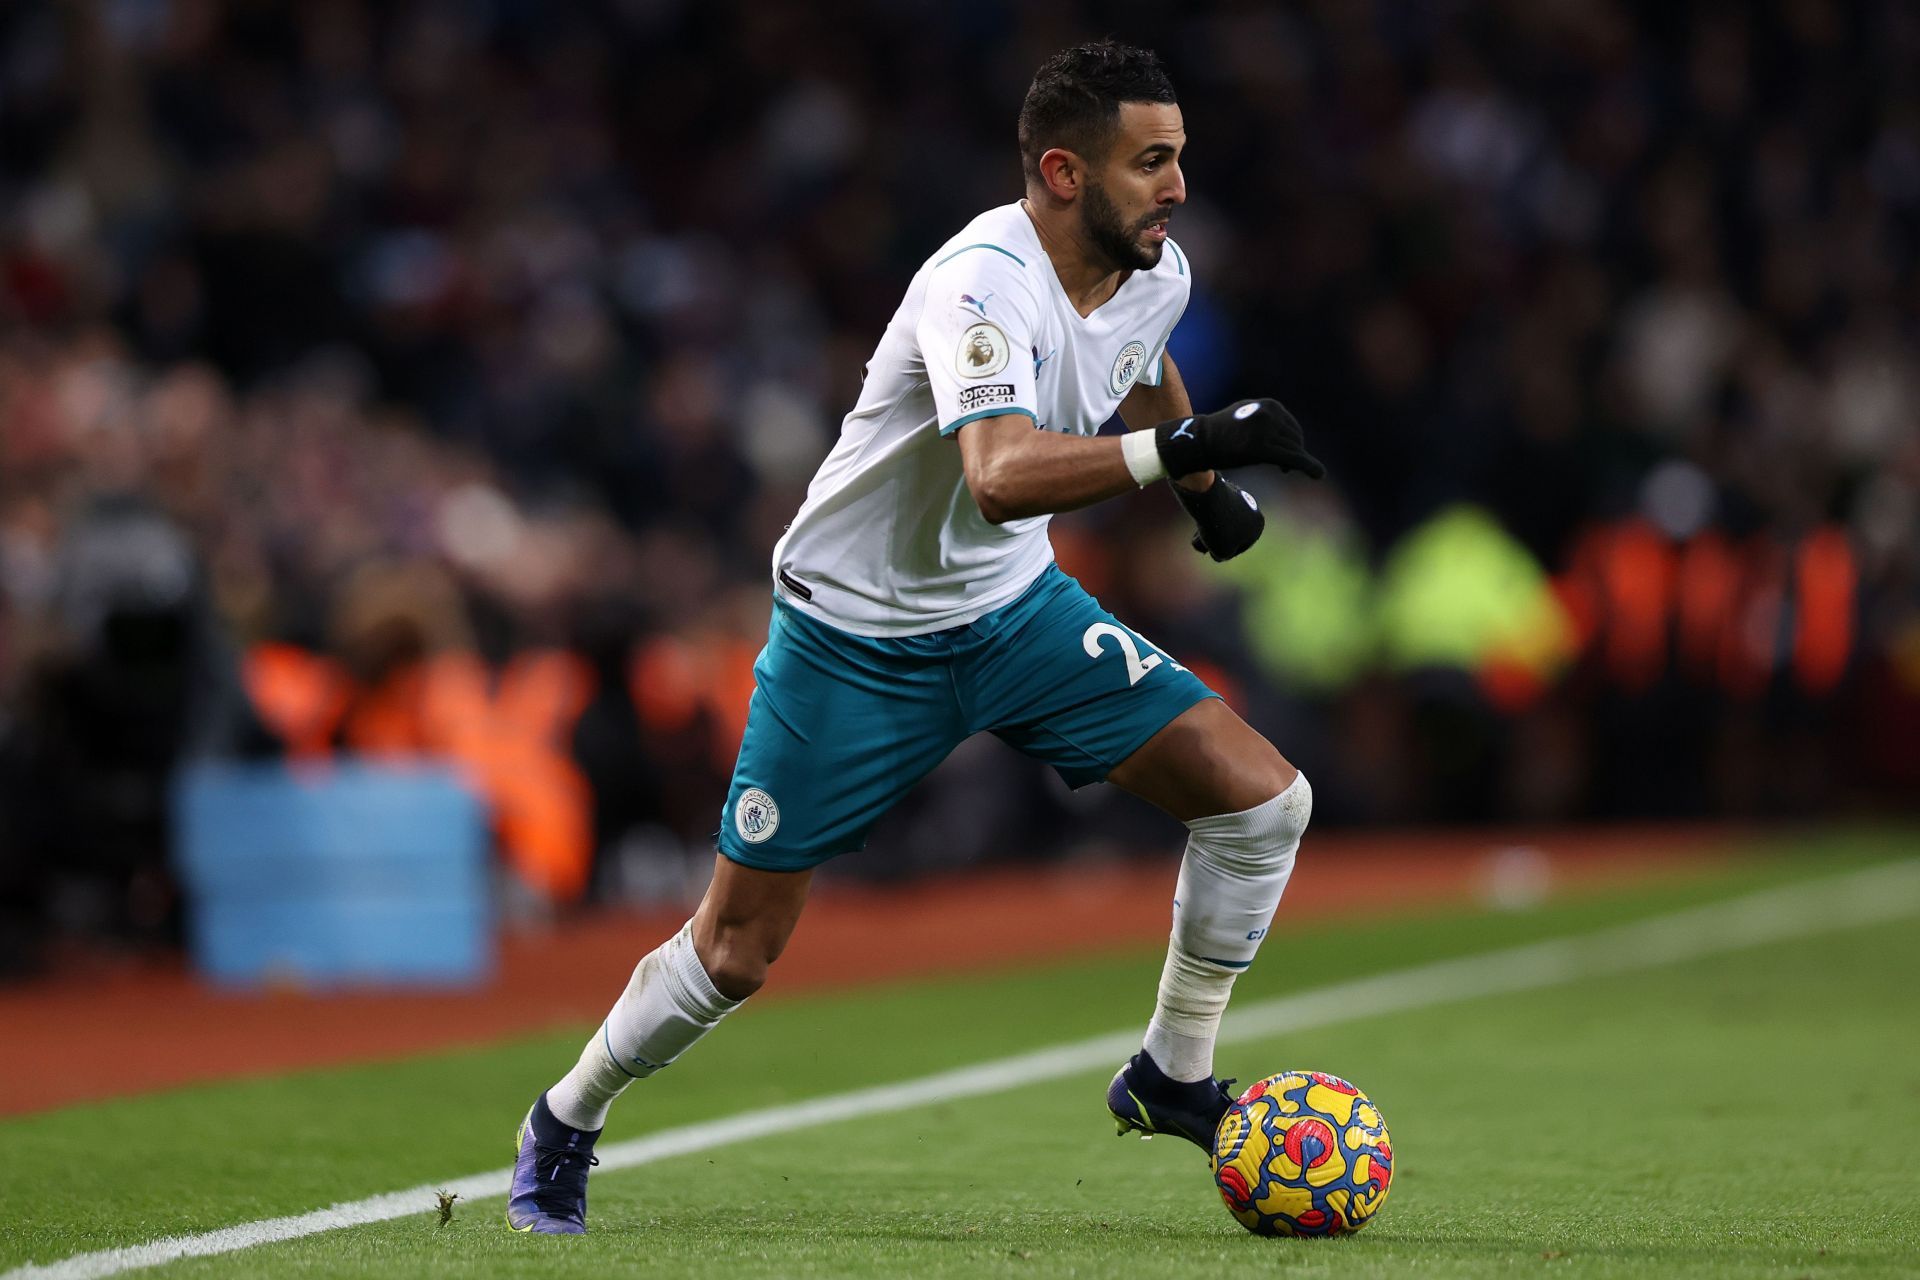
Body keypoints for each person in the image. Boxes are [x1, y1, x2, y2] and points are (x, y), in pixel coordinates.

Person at [507, 38, 1325, 1234]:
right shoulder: (978, 284)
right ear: (1061, 171)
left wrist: (1205, 497)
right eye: (1152, 161)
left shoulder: (1156, 268)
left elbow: (1140, 361)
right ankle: (565, 1116)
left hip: (1012, 612)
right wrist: (1190, 455)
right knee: (736, 950)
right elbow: (997, 477)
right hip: (853, 638)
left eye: (1180, 157)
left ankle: (1171, 1073)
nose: (1178, 186)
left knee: (1264, 801)